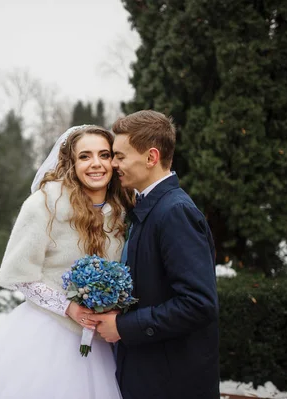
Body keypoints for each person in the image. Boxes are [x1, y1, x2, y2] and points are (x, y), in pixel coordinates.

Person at [0, 125, 133, 399]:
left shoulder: (122, 211)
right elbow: (20, 275)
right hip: (49, 333)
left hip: (102, 342)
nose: (96, 164)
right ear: (71, 163)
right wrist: (68, 307)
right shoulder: (45, 205)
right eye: (85, 156)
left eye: (104, 154)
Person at [88, 110, 220, 399]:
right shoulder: (148, 207)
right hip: (150, 373)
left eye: (120, 156)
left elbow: (198, 304)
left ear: (151, 157)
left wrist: (123, 327)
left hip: (171, 383)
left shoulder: (175, 213)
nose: (113, 164)